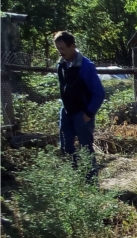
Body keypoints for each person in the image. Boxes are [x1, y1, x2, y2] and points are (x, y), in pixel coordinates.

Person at [54, 31, 105, 180]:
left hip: (82, 113)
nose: (60, 52)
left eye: (63, 49)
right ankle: (77, 179)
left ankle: (91, 182)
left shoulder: (86, 66)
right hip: (67, 111)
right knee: (65, 147)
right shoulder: (61, 65)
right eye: (58, 49)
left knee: (85, 148)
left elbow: (99, 93)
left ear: (72, 46)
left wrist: (88, 113)